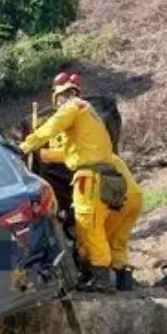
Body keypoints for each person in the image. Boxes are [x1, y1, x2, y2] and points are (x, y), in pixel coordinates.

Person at [19, 72, 120, 292]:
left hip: (90, 178)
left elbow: (51, 127)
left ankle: (102, 279)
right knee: (88, 228)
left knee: (89, 227)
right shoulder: (88, 114)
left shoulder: (73, 106)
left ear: (60, 97)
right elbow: (68, 152)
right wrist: (42, 155)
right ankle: (93, 275)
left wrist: (25, 146)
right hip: (99, 176)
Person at [103, 152, 142, 291]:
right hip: (136, 198)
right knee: (119, 240)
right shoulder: (112, 156)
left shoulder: (91, 158)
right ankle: (124, 281)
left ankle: (102, 280)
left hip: (119, 201)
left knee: (99, 240)